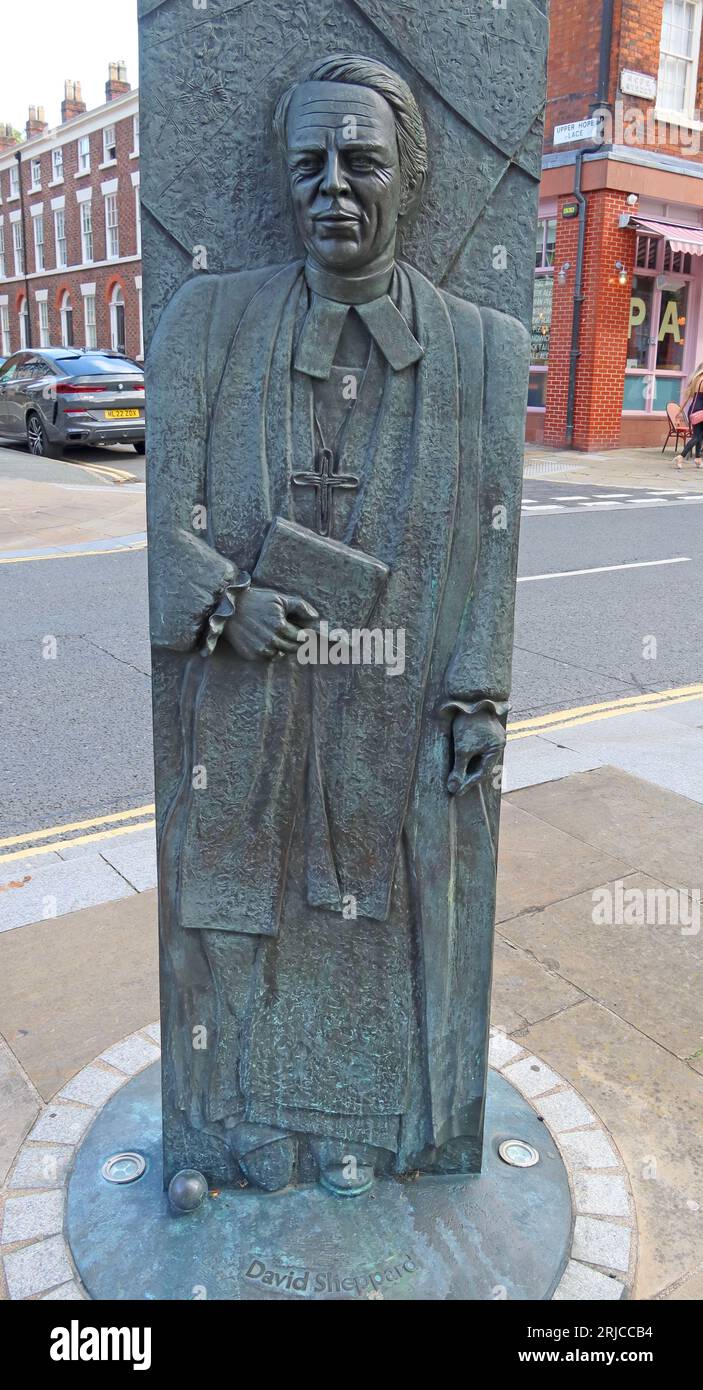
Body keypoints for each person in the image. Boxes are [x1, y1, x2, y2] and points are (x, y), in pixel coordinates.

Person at [149, 54, 529, 1195]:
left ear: (410, 177)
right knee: (238, 905)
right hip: (249, 692)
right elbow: (164, 526)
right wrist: (225, 603)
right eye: (306, 161)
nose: (331, 186)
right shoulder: (206, 323)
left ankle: (356, 1119)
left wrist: (477, 692)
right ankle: (227, 1125)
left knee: (357, 913)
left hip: (392, 688)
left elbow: (493, 536)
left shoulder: (482, 349)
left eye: (361, 160)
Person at [679, 363, 703, 467]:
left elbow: (687, 397)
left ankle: (697, 459)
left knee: (698, 435)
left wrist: (680, 410)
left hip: (693, 410)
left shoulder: (695, 380)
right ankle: (681, 456)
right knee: (698, 436)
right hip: (701, 411)